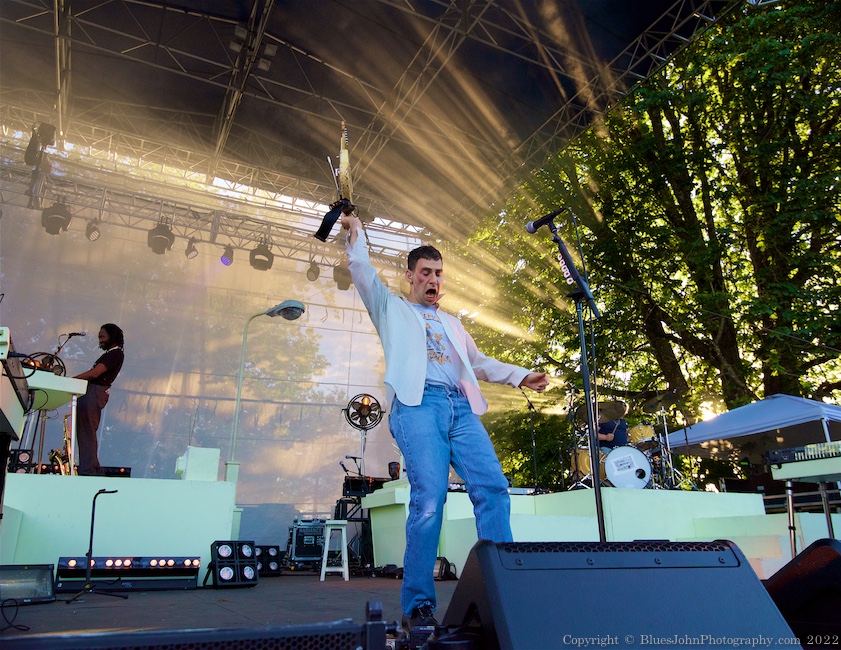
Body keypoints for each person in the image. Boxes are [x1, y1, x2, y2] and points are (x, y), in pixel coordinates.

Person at [341, 214, 548, 630]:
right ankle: (418, 605)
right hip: (419, 406)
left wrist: (521, 375)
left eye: (438, 273)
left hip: (459, 407)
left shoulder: (452, 323)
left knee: (493, 487)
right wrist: (355, 231)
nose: (433, 280)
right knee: (430, 497)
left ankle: (502, 589)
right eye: (426, 273)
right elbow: (361, 270)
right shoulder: (391, 307)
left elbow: (477, 363)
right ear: (410, 277)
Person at [73, 324, 125, 476]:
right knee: (86, 431)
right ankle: (91, 468)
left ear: (112, 337)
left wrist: (72, 380)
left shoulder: (115, 354)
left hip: (94, 392)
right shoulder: (111, 354)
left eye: (102, 337)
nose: (100, 341)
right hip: (92, 392)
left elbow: (95, 373)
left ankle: (89, 470)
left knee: (87, 432)